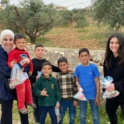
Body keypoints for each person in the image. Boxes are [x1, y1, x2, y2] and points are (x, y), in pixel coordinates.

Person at [0, 29, 29, 124]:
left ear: (14, 41)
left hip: (21, 85)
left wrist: (22, 67)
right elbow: (6, 71)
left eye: (11, 39)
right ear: (1, 40)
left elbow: (28, 66)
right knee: (6, 113)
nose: (8, 42)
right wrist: (22, 68)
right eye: (5, 39)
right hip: (5, 86)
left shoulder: (18, 50)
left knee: (23, 110)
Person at [29, 44, 60, 124]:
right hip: (35, 87)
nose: (40, 52)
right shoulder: (32, 62)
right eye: (38, 50)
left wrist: (64, 69)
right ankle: (37, 121)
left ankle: (43, 120)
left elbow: (54, 68)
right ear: (34, 52)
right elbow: (27, 75)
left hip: (46, 87)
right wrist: (35, 78)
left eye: (42, 50)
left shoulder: (46, 62)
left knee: (45, 107)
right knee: (36, 106)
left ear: (44, 52)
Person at [8, 33, 36, 114]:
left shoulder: (26, 52)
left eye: (23, 42)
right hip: (17, 75)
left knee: (28, 87)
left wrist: (31, 69)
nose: (21, 44)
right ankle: (21, 106)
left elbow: (29, 61)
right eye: (19, 42)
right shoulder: (13, 52)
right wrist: (11, 64)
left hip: (25, 74)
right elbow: (9, 62)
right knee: (21, 90)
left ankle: (29, 101)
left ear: (26, 42)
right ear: (15, 43)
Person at [74, 48, 100, 124]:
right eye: (82, 56)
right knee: (82, 115)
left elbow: (97, 82)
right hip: (82, 95)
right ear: (79, 57)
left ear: (89, 56)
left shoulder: (94, 67)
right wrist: (78, 86)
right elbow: (76, 81)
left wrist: (97, 96)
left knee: (95, 115)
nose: (84, 57)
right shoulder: (78, 68)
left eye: (86, 55)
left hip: (93, 94)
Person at [103, 33, 124, 124]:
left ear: (121, 44)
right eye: (111, 42)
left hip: (123, 93)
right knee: (110, 111)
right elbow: (106, 76)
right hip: (111, 94)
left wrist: (115, 85)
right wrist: (105, 86)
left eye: (117, 43)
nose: (114, 45)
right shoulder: (108, 59)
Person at [56, 57, 78, 124]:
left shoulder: (72, 75)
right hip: (62, 100)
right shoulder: (58, 76)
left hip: (72, 100)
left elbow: (75, 87)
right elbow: (57, 90)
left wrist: (76, 99)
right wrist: (58, 101)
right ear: (58, 66)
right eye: (61, 65)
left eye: (64, 64)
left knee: (72, 116)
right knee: (60, 116)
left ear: (67, 64)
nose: (63, 67)